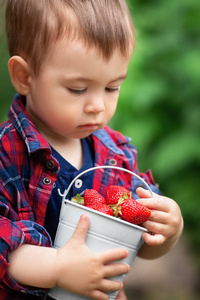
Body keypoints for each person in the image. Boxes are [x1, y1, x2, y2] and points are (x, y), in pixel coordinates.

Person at [0, 0, 183, 299]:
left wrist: (167, 230)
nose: (97, 106)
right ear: (24, 77)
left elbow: (138, 242)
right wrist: (59, 268)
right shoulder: (7, 153)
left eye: (112, 88)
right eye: (78, 89)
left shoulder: (117, 155)